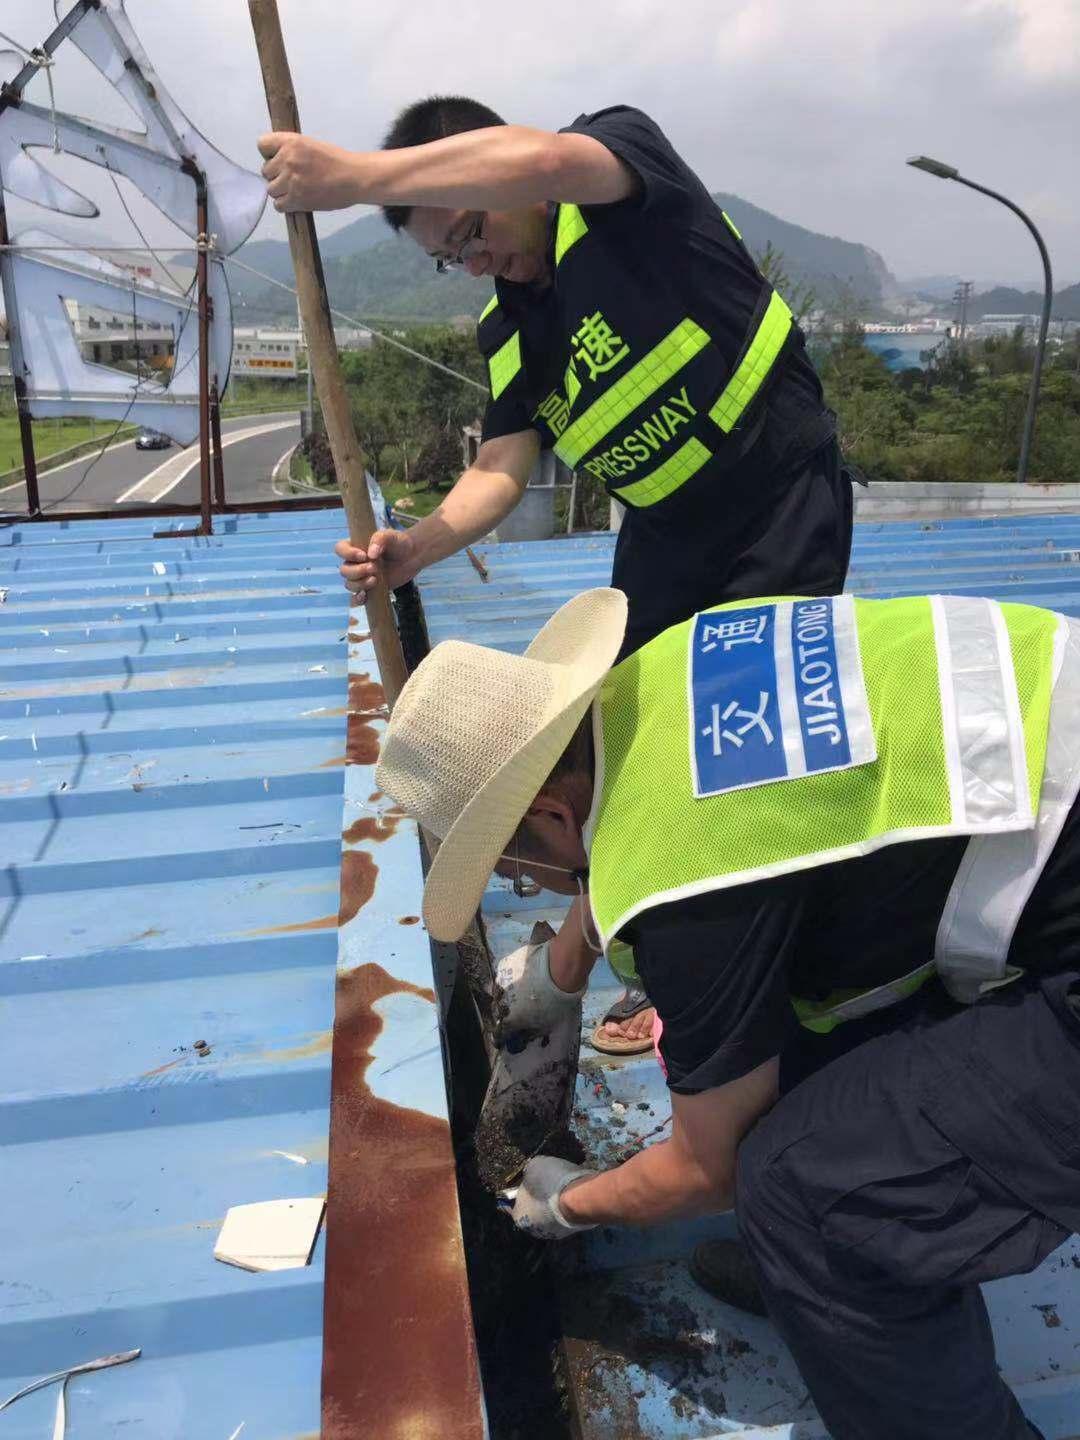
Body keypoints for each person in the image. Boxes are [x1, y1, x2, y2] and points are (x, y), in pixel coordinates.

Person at [374, 584, 1079, 1440]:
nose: (531, 884)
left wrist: (571, 1203)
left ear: (551, 812)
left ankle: (833, 1260)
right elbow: (694, 823)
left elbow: (705, 1169)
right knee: (782, 1064)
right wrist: (562, 973)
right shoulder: (662, 674)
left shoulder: (681, 895)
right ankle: (820, 1285)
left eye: (518, 868)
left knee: (794, 1188)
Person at [259, 97, 858, 1051]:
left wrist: (354, 180)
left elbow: (542, 159)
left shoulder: (618, 183)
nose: (475, 261)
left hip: (773, 501)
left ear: (495, 177)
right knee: (617, 748)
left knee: (733, 748)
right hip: (665, 533)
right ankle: (644, 943)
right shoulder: (511, 327)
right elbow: (503, 464)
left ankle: (734, 964)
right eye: (450, 258)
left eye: (470, 232)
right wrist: (419, 545)